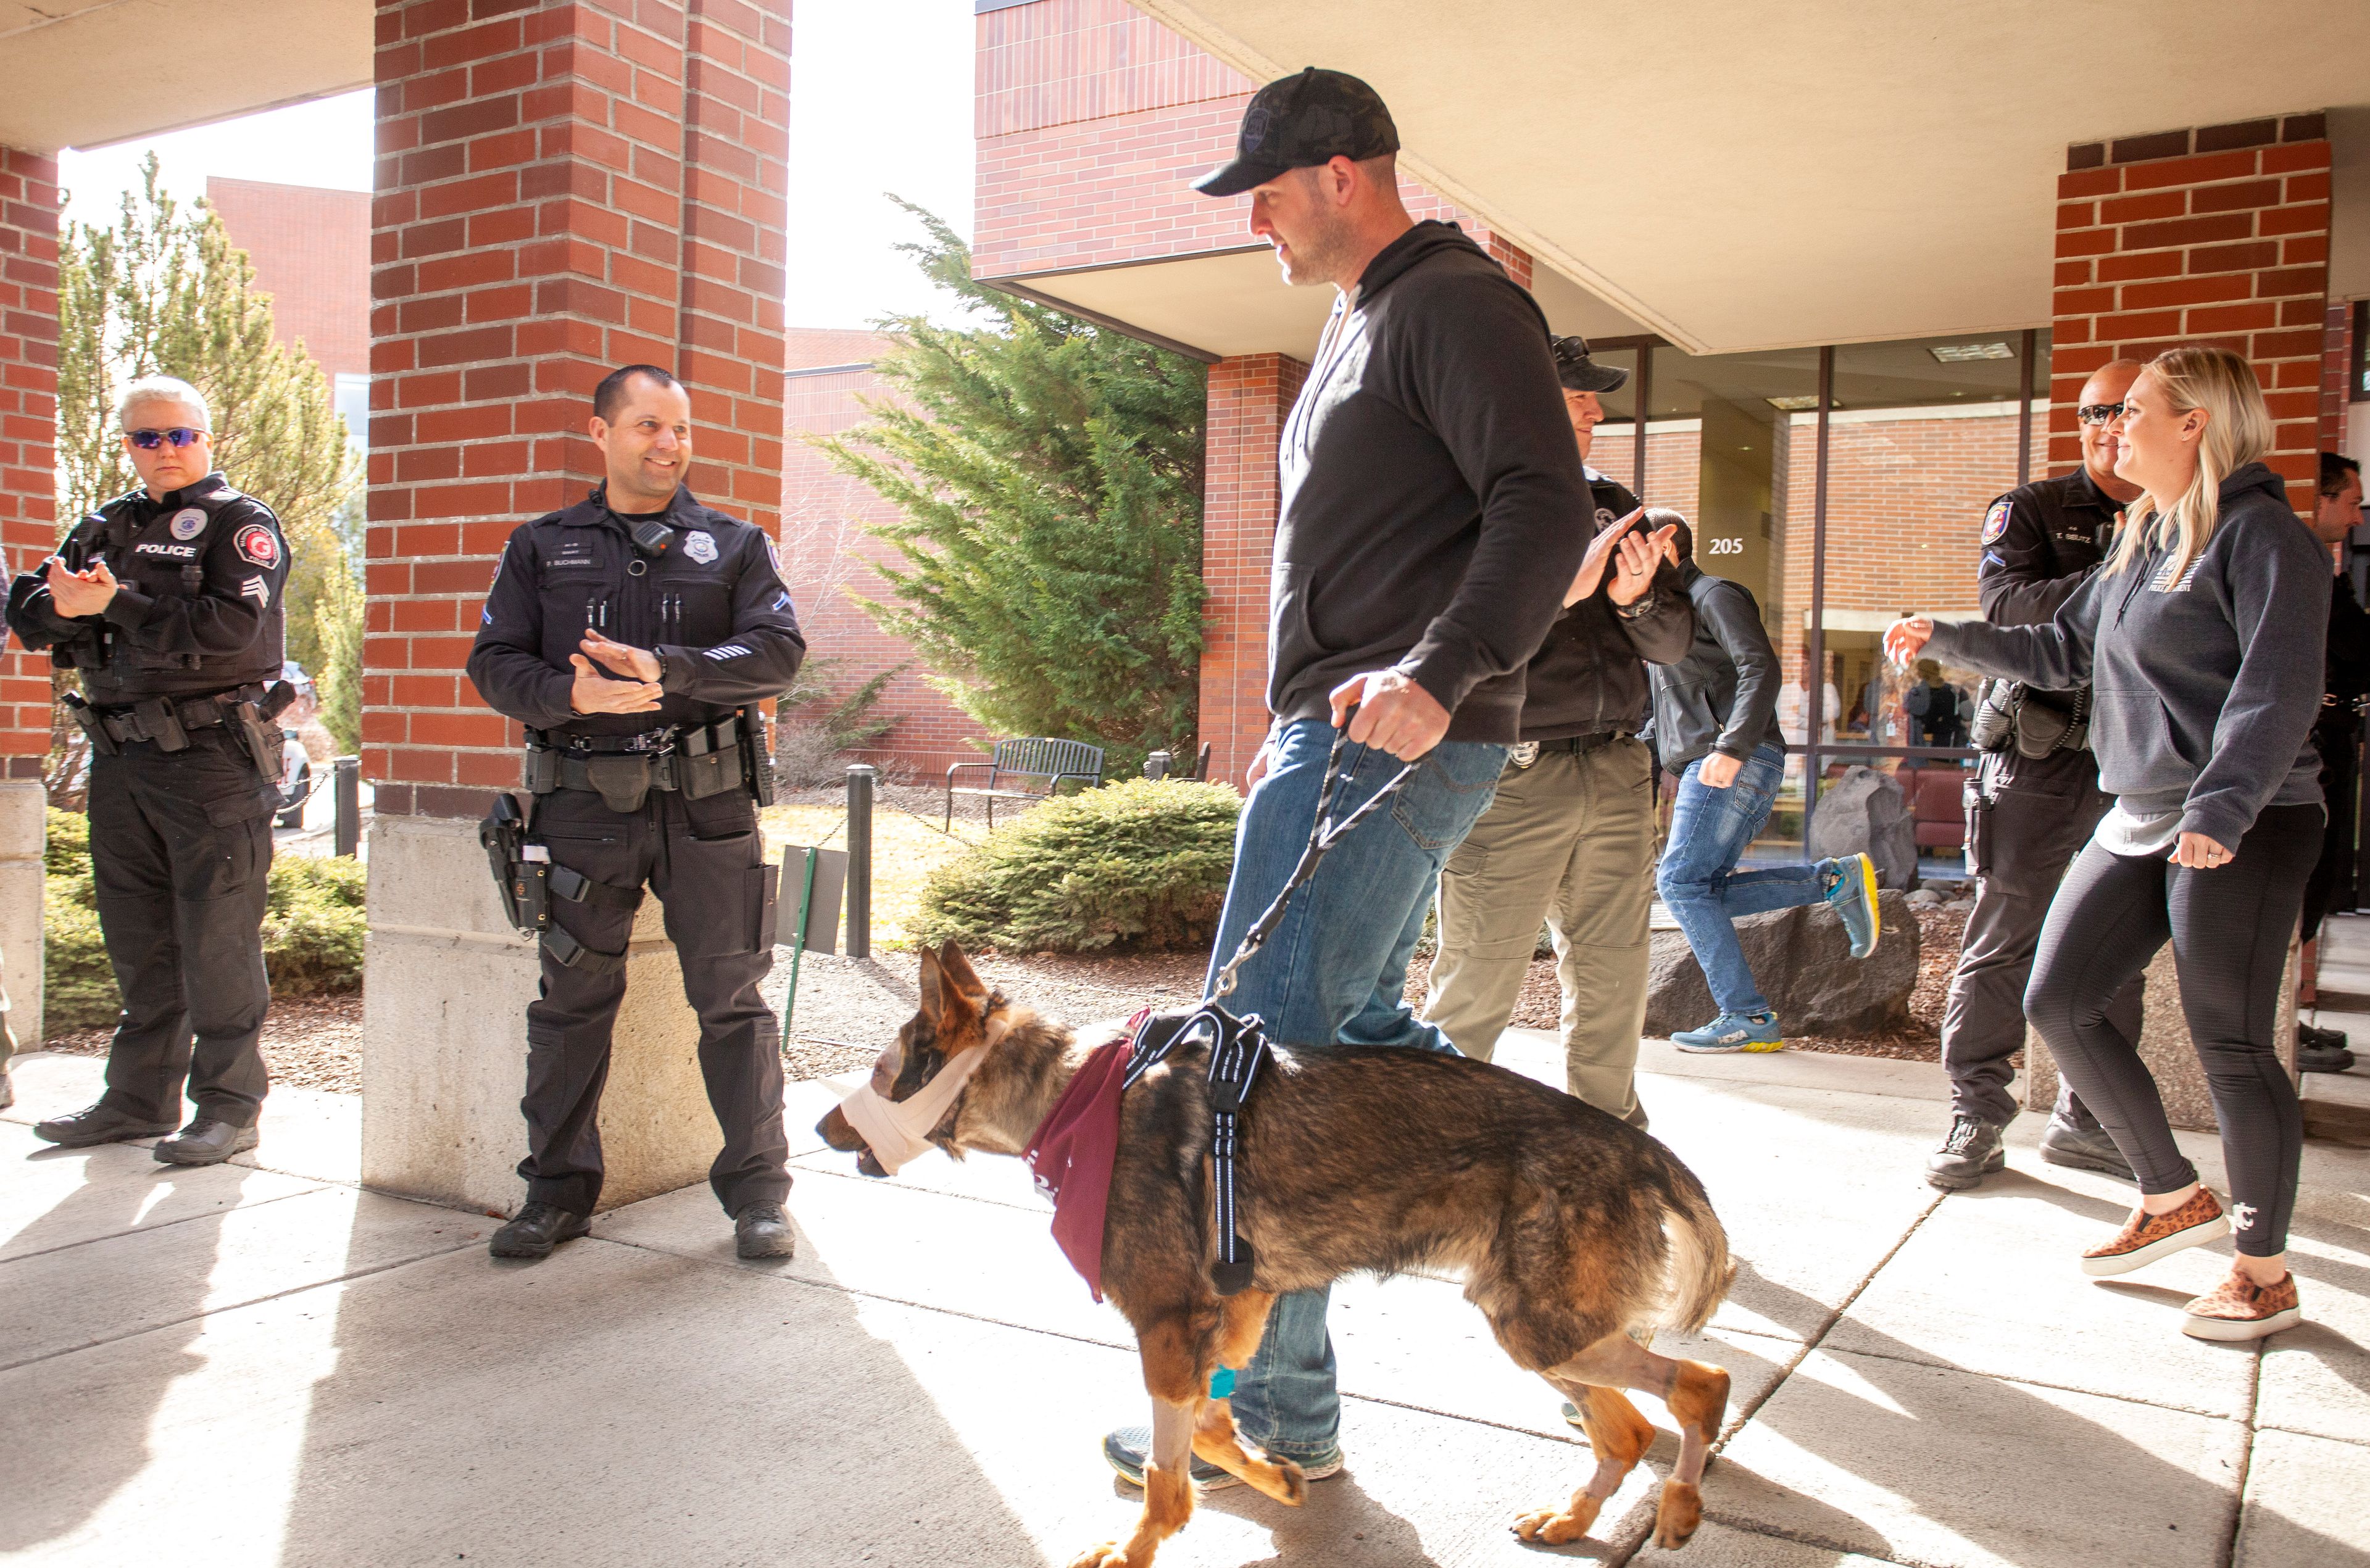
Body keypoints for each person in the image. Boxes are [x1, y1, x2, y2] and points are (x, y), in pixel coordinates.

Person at [1098, 68, 1595, 1495]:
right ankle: (1571, 1202)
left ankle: (1268, 1415)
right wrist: (1288, 713)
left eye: (1262, 185)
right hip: (1335, 736)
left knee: (1259, 1074)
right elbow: (1358, 545)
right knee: (1344, 1045)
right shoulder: (1361, 316)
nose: (1247, 213)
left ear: (1343, 171)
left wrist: (1439, 671)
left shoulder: (1449, 300)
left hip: (1392, 737)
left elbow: (1543, 502)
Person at [1887, 345, 2329, 1340]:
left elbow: (2279, 685)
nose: (2112, 428)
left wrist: (2220, 809)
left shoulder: (2262, 538)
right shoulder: (2144, 534)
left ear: (2195, 424)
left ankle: (2263, 1270)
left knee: (2228, 1040)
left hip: (2244, 816)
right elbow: (2062, 649)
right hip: (2138, 811)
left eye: (2132, 411)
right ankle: (2171, 1195)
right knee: (2060, 999)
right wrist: (1945, 635)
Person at [466, 365, 806, 1263]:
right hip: (582, 809)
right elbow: (493, 662)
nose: (670, 444)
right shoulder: (542, 546)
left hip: (708, 810)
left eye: (682, 429)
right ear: (602, 434)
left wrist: (671, 669)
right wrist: (567, 694)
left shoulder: (734, 545)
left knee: (733, 1002)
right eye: (650, 425)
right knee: (572, 1003)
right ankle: (556, 1193)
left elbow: (777, 653)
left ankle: (760, 1199)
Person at [6, 376, 292, 1165]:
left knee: (217, 939)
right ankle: (137, 1101)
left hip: (209, 761)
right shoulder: (104, 525)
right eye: (146, 438)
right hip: (120, 757)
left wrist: (114, 606)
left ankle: (231, 1108)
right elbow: (29, 608)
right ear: (128, 446)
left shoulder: (241, 525)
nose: (164, 451)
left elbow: (233, 628)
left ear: (205, 440)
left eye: (178, 436)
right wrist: (65, 606)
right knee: (139, 938)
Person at [1421, 336, 1695, 1124]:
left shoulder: (1614, 503)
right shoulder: (1465, 502)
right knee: (1476, 985)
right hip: (1511, 778)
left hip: (1615, 772)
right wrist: (1570, 592)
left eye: (1593, 398)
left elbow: (1673, 645)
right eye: (1576, 394)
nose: (1594, 410)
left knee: (1615, 981)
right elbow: (1459, 640)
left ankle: (1615, 1157)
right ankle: (1426, 1165)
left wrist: (1640, 598)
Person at [1926, 359, 2148, 1190]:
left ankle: (2090, 1121)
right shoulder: (2033, 510)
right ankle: (1975, 1113)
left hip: (2136, 763)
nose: (2108, 426)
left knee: (2118, 948)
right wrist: (2130, 576)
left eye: (2126, 411)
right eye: (2095, 413)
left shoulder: (2184, 513)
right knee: (2005, 937)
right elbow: (2008, 609)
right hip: (2039, 759)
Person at [1646, 511, 1880, 1053]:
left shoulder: (1714, 595)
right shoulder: (1671, 619)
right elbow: (1670, 708)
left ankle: (1746, 1015)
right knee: (1700, 890)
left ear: (1664, 545)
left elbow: (1761, 667)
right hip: (1708, 762)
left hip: (1731, 759)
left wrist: (1731, 747)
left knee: (1679, 883)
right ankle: (1832, 882)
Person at [2294, 451, 2368, 1073]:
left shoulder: (2328, 569)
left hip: (2334, 738)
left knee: (2321, 886)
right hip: (2312, 743)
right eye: (2349, 501)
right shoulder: (2304, 567)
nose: (2356, 515)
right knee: (2305, 884)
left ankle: (2286, 1021)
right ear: (2319, 500)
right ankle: (2279, 1024)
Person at [1903, 660, 1969, 748]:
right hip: (1954, 746)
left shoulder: (1918, 693)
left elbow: (1918, 716)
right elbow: (1968, 715)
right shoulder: (1955, 691)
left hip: (1931, 748)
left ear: (1920, 674)